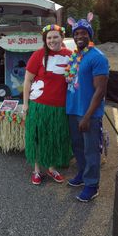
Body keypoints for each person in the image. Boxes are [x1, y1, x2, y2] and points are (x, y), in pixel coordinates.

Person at [66, 12, 109, 202]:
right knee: (78, 146)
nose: (79, 36)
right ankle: (82, 175)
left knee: (91, 150)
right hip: (73, 110)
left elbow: (100, 91)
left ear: (89, 35)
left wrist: (87, 116)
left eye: (83, 33)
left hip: (88, 114)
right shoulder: (76, 56)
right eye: (76, 33)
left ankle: (92, 185)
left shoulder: (97, 57)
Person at [23, 24, 73, 185]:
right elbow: (27, 80)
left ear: (62, 38)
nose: (52, 40)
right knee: (37, 137)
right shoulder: (38, 55)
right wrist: (25, 105)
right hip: (38, 104)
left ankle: (51, 168)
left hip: (59, 107)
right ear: (45, 40)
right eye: (49, 38)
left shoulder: (70, 56)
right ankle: (37, 170)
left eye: (55, 37)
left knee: (53, 137)